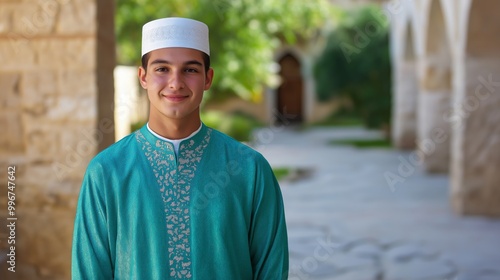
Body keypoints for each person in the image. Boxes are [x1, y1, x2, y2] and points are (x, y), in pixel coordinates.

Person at [71, 17, 289, 279]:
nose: (175, 83)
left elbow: (272, 270)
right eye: (162, 69)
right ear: (143, 77)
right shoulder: (106, 172)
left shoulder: (250, 169)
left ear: (208, 78)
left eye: (190, 70)